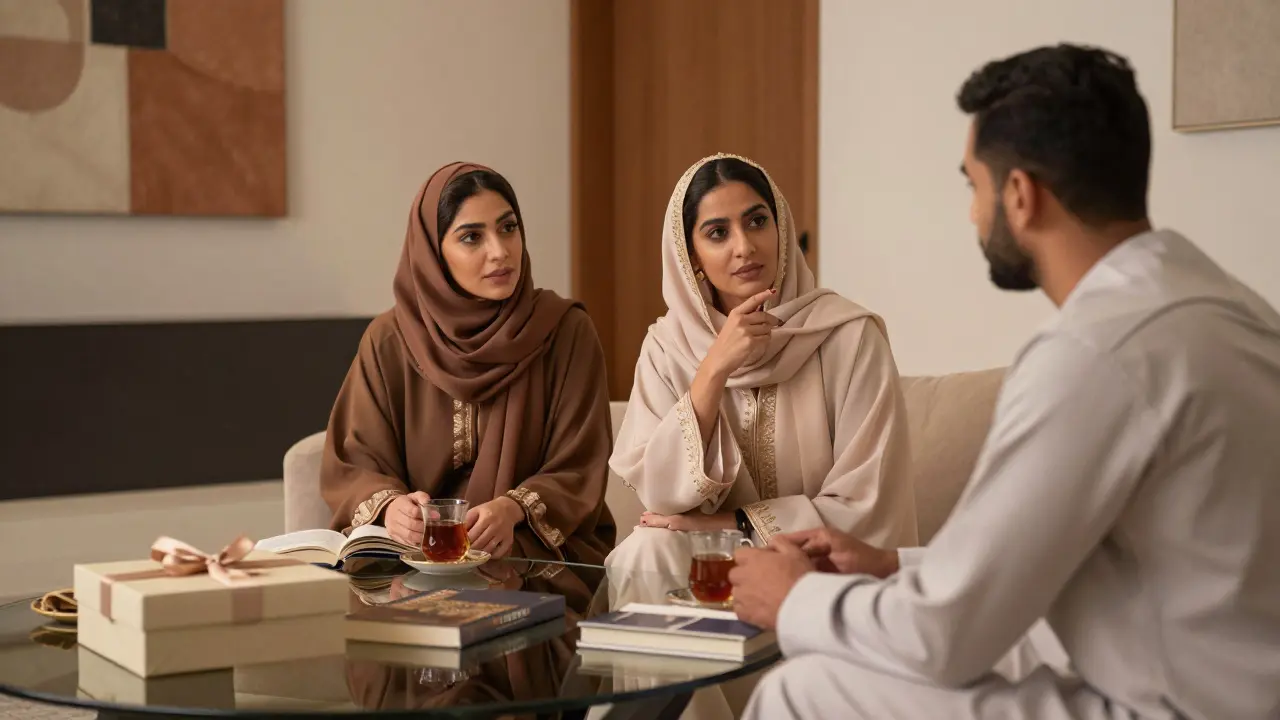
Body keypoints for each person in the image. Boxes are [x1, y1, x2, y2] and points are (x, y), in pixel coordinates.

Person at [732, 44, 1280, 720]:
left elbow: (946, 637)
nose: (971, 213)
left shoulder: (1094, 354)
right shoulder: (1236, 312)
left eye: (973, 185)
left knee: (804, 687)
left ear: (1020, 196)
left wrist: (792, 599)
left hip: (1178, 704)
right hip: (1217, 676)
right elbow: (1099, 568)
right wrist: (892, 566)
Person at [606, 152, 917, 600]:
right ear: (691, 255)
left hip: (819, 564)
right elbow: (661, 498)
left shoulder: (849, 337)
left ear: (782, 230)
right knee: (645, 551)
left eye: (756, 222)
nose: (745, 246)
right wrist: (714, 368)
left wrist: (733, 525)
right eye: (718, 233)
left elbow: (869, 504)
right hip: (709, 564)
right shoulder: (666, 348)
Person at [321, 162, 615, 573]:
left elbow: (580, 461)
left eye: (508, 228)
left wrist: (514, 509)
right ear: (433, 253)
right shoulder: (390, 340)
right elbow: (355, 459)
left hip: (529, 556)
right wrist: (391, 508)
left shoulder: (564, 331)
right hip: (411, 562)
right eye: (472, 237)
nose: (500, 251)